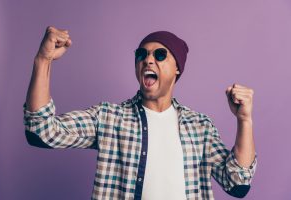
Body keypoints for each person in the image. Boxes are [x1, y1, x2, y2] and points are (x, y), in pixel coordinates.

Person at [23, 26, 257, 200]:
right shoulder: (109, 118)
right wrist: (43, 60)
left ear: (177, 69)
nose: (148, 60)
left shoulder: (200, 127)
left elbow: (237, 182)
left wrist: (244, 120)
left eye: (160, 55)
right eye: (141, 54)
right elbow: (41, 132)